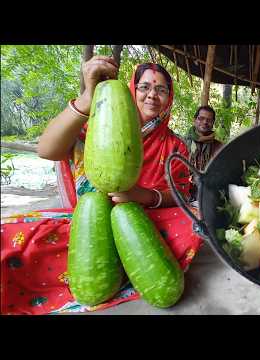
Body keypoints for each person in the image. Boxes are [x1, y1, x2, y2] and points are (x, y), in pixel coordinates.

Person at [0, 56, 202, 315]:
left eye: (161, 89)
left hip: (146, 224)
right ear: (132, 90)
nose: (152, 95)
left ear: (169, 97)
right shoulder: (93, 124)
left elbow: (181, 195)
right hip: (87, 221)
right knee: (11, 239)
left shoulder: (175, 145)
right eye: (144, 87)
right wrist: (86, 99)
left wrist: (141, 196)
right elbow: (47, 149)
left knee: (194, 223)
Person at [185, 105, 223, 201]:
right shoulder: (182, 143)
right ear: (194, 120)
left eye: (209, 120)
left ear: (213, 123)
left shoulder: (219, 147)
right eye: (201, 118)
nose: (205, 122)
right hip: (184, 193)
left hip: (208, 195)